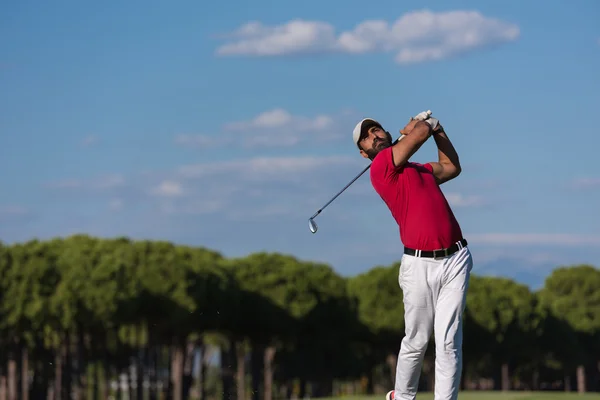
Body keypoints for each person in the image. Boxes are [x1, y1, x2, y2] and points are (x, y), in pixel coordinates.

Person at [351, 112, 474, 400]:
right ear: (363, 152)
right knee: (417, 340)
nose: (375, 135)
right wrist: (422, 127)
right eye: (368, 136)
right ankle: (403, 397)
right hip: (418, 265)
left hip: (455, 259)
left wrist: (439, 130)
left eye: (377, 129)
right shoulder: (380, 166)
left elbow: (451, 167)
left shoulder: (419, 169)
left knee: (448, 342)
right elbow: (419, 136)